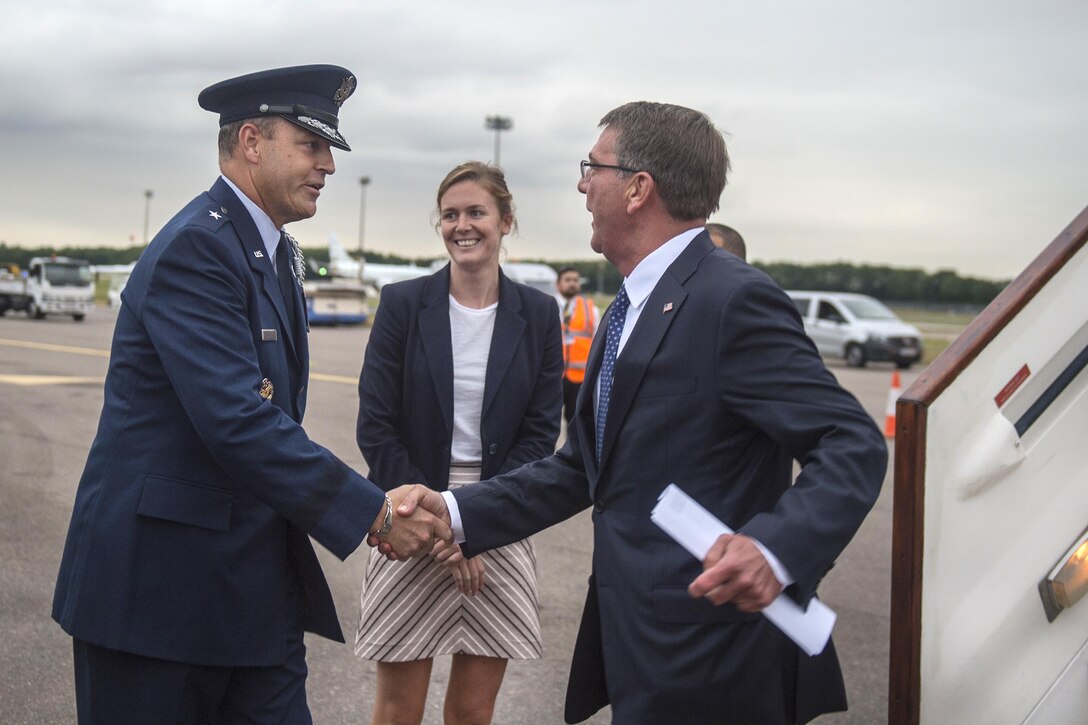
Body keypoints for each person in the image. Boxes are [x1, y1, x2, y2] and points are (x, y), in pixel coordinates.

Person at [389, 102, 887, 724]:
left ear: (637, 189)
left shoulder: (731, 298)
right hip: (640, 644)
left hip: (712, 651)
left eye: (591, 167)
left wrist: (774, 550)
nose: (580, 183)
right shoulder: (630, 306)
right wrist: (457, 511)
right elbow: (581, 469)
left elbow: (851, 441)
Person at [51, 65, 450, 724]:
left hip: (250, 596)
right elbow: (238, 420)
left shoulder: (268, 252)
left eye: (330, 149)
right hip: (158, 600)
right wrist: (373, 512)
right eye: (312, 144)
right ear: (251, 143)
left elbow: (266, 420)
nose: (327, 164)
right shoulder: (197, 249)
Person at [355, 161, 563, 725]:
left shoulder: (541, 315)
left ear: (506, 221)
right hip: (409, 507)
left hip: (501, 509)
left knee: (473, 711)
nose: (461, 225)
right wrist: (430, 521)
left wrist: (476, 523)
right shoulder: (402, 304)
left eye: (476, 212)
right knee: (399, 709)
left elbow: (540, 433)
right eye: (450, 215)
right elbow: (375, 424)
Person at [555, 265, 598, 424]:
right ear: (558, 284)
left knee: (575, 421)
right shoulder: (547, 306)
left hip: (579, 377)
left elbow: (597, 342)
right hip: (553, 375)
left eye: (575, 280)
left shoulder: (590, 309)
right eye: (567, 280)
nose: (572, 283)